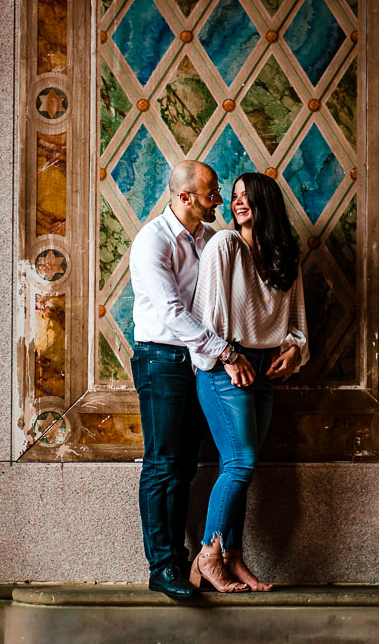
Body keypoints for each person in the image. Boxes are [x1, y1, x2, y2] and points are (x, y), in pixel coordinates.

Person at [188, 170, 309, 592]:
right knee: (241, 463)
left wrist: (293, 350)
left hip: (265, 371)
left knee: (238, 466)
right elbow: (207, 316)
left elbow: (296, 325)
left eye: (247, 196)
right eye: (234, 196)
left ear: (266, 203)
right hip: (227, 366)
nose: (238, 203)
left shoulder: (285, 255)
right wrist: (229, 356)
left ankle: (233, 557)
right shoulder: (225, 245)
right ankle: (207, 555)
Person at [128, 159, 244, 601]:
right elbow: (173, 313)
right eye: (212, 192)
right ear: (185, 197)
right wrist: (226, 352)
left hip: (197, 361)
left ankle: (185, 560)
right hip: (161, 360)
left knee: (188, 466)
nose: (219, 199)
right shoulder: (151, 242)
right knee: (163, 464)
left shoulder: (210, 239)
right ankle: (163, 566)